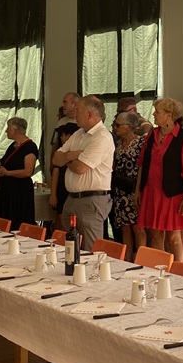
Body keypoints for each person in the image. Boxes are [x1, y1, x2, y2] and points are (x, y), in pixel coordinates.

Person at [135, 98, 183, 261]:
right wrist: (138, 190)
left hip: (173, 195)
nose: (153, 114)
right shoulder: (152, 134)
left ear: (169, 115)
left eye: (157, 112)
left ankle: (176, 271)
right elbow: (142, 164)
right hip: (151, 192)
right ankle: (160, 269)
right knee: (155, 236)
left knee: (174, 238)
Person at [52, 95, 114, 250]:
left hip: (91, 200)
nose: (74, 114)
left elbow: (80, 168)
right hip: (71, 199)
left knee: (90, 249)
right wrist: (72, 155)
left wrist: (67, 158)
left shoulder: (102, 137)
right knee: (68, 247)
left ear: (89, 114)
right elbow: (56, 159)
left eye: (77, 110)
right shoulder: (79, 133)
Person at [0, 117, 39, 231]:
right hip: (7, 189)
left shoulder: (30, 147)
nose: (6, 131)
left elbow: (27, 171)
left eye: (8, 128)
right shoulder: (12, 146)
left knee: (18, 220)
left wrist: (8, 173)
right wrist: (1, 170)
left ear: (15, 130)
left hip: (20, 191)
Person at [111, 112, 142, 260]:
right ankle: (128, 260)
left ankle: (141, 259)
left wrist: (139, 190)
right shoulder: (118, 144)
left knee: (138, 228)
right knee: (125, 227)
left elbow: (143, 167)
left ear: (129, 127)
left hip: (134, 191)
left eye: (118, 125)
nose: (114, 128)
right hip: (121, 191)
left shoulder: (140, 143)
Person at [48, 122, 78, 235]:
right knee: (60, 218)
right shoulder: (61, 153)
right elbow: (55, 172)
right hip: (61, 188)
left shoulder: (74, 152)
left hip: (70, 188)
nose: (60, 138)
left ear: (69, 136)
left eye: (62, 135)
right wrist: (53, 194)